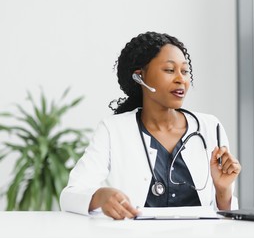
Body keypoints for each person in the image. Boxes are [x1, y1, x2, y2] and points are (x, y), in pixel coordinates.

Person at [60, 31, 241, 220]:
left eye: (185, 71)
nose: (181, 79)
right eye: (170, 70)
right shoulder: (113, 130)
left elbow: (225, 216)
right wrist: (100, 197)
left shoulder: (210, 127)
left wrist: (223, 190)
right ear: (140, 76)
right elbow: (70, 196)